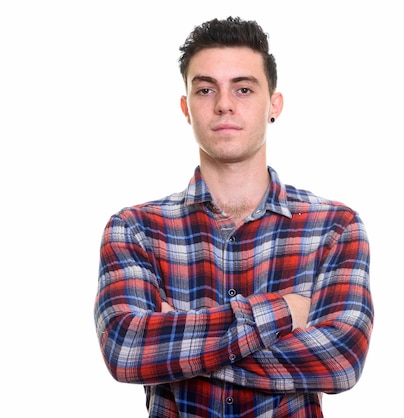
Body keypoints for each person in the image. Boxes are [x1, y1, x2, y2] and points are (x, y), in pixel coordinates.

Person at [94, 16, 374, 418]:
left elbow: (342, 360)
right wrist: (284, 312)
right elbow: (126, 349)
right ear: (186, 108)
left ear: (273, 104)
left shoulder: (334, 227)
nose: (224, 103)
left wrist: (178, 345)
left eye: (243, 89)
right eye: (206, 89)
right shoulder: (136, 230)